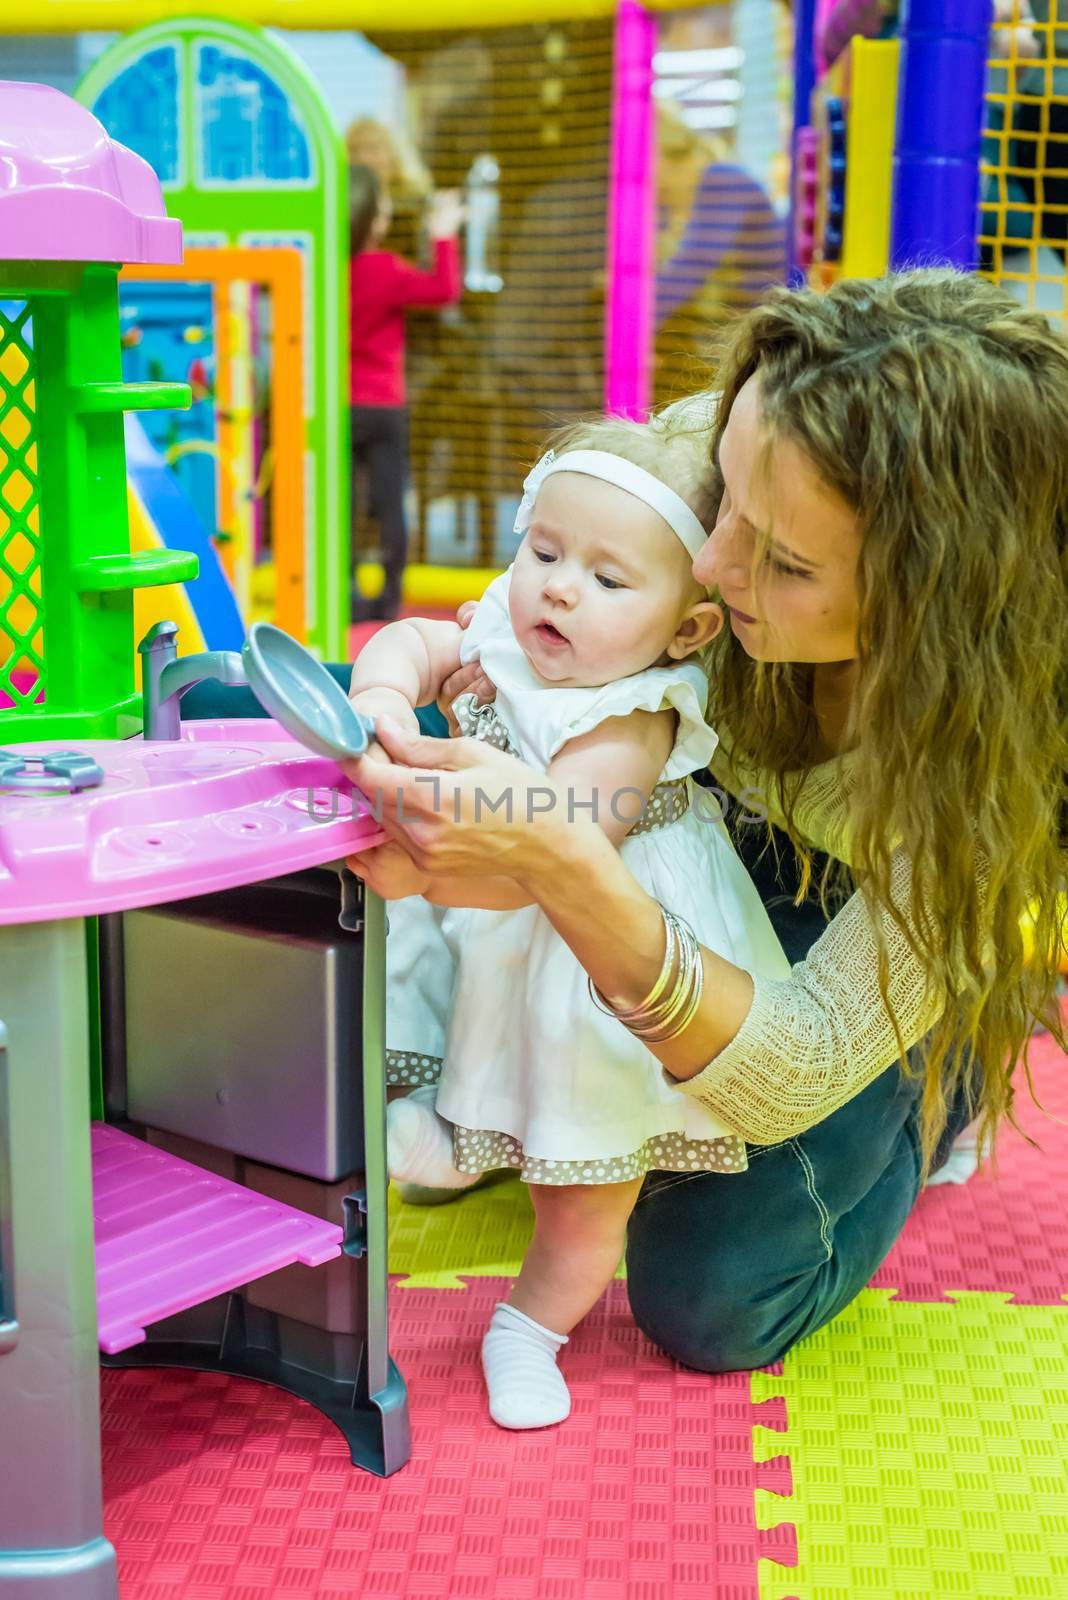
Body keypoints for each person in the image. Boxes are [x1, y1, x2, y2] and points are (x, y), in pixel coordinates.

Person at [343, 270, 1067, 1378]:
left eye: (782, 563)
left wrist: (557, 858)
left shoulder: (1004, 762)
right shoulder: (736, 448)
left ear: (930, 603)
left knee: (713, 1294)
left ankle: (943, 1071)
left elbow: (792, 1069)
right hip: (681, 830)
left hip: (834, 914)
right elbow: (521, 617)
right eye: (722, 500)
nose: (712, 565)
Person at [348, 415, 791, 1429]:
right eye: (543, 551)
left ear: (686, 628)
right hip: (490, 918)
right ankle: (459, 1136)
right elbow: (423, 637)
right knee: (414, 977)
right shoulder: (511, 625)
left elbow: (553, 856)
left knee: (587, 1178)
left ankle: (530, 1327)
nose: (557, 587)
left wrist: (417, 867)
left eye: (606, 578)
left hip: (595, 954)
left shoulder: (638, 710)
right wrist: (380, 690)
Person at [348, 163, 463, 621]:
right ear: (375, 220)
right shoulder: (384, 270)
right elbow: (444, 289)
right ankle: (389, 594)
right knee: (390, 497)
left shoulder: (327, 270)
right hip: (384, 406)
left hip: (340, 406)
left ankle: (347, 589)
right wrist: (443, 234)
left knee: (343, 501)